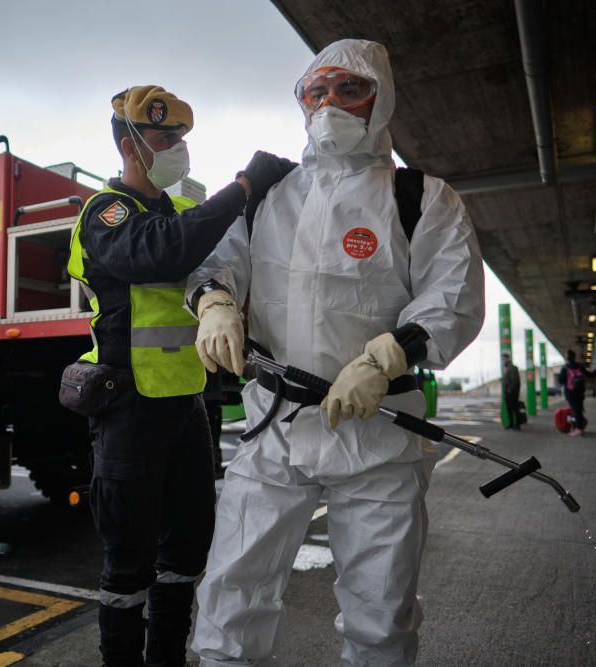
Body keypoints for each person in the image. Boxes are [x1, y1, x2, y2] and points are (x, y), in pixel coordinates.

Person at [186, 39, 484, 666]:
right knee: (229, 602)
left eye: (349, 89)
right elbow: (217, 266)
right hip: (273, 429)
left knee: (381, 615)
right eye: (314, 92)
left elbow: (451, 297)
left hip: (375, 437)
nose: (328, 104)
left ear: (381, 99)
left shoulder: (422, 198)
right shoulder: (269, 196)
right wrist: (213, 302)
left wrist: (385, 359)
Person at [65, 85, 294, 666]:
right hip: (129, 409)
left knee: (186, 553)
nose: (176, 149)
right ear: (128, 144)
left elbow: (211, 258)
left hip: (187, 407)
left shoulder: (177, 215)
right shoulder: (107, 212)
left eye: (181, 140)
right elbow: (162, 253)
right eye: (165, 139)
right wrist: (243, 188)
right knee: (128, 560)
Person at [558, 349, 587, 436]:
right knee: (579, 409)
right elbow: (589, 375)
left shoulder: (565, 367)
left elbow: (560, 380)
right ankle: (579, 427)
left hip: (570, 392)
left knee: (575, 410)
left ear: (567, 357)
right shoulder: (580, 366)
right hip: (580, 391)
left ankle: (578, 429)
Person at [502, 353, 522, 431]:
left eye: (503, 359)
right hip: (507, 392)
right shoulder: (506, 368)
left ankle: (517, 425)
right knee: (509, 409)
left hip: (512, 392)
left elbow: (515, 381)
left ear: (507, 358)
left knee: (515, 409)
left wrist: (510, 389)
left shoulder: (513, 368)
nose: (503, 361)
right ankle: (511, 424)